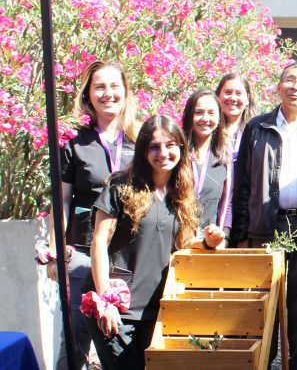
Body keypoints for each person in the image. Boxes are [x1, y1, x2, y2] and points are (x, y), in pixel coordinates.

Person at [83, 116, 223, 370]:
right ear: (143, 151)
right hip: (118, 309)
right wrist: (105, 302)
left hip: (157, 310)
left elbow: (186, 241)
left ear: (181, 147)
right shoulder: (120, 187)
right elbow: (99, 242)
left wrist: (209, 242)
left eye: (170, 145)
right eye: (154, 147)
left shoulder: (182, 193)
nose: (163, 153)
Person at [231, 61, 297, 370]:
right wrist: (242, 236)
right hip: (265, 229)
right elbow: (243, 185)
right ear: (278, 86)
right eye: (290, 80)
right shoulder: (257, 128)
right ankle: (261, 363)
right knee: (262, 307)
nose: (296, 86)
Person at [56, 61, 138, 369]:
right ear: (88, 95)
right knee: (75, 340)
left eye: (114, 86)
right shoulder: (75, 143)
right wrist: (56, 251)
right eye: (99, 87)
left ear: (125, 92)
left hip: (127, 258)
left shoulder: (140, 141)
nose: (108, 93)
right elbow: (62, 202)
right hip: (81, 255)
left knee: (122, 345)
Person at [181, 90, 232, 236]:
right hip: (177, 241)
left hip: (210, 242)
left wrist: (224, 236)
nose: (205, 118)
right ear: (190, 115)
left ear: (219, 118)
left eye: (211, 113)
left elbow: (228, 204)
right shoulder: (177, 153)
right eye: (199, 112)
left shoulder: (223, 158)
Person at [215, 73, 256, 236]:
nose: (233, 98)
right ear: (218, 96)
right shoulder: (208, 133)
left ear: (247, 100)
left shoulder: (256, 133)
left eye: (239, 93)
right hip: (211, 219)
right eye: (227, 92)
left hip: (245, 222)